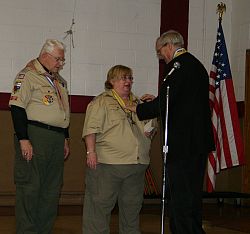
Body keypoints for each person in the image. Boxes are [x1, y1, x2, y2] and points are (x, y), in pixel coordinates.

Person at [126, 30, 214, 234]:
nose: (161, 57)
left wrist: (139, 108)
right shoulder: (195, 65)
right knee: (192, 196)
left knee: (180, 197)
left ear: (169, 46)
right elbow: (181, 100)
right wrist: (154, 101)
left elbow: (168, 100)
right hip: (196, 143)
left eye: (160, 52)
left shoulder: (177, 66)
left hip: (182, 144)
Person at [82, 65, 157, 234]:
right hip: (108, 164)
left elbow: (150, 132)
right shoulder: (101, 101)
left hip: (136, 165)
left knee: (132, 210)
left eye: (130, 78)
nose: (128, 81)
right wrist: (91, 152)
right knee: (99, 209)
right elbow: (90, 129)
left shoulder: (139, 103)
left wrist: (152, 109)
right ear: (112, 81)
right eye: (124, 78)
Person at [9, 39, 70, 233]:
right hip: (35, 136)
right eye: (58, 59)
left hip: (56, 139)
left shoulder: (59, 81)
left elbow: (62, 111)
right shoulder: (28, 75)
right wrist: (23, 139)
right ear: (45, 55)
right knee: (30, 189)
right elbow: (17, 108)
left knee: (51, 191)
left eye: (62, 60)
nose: (61, 63)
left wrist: (65, 138)